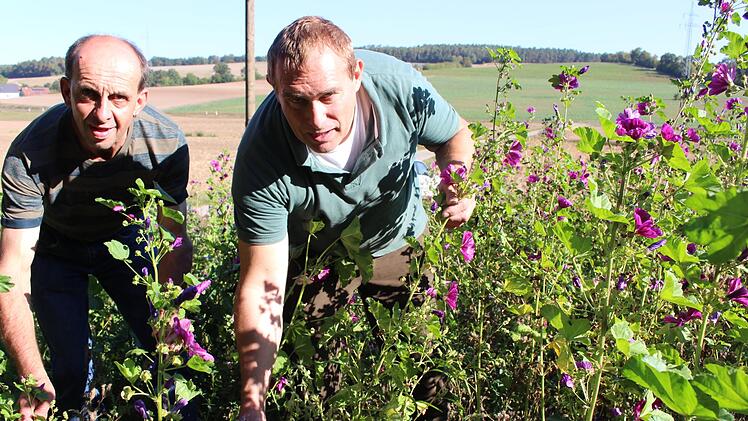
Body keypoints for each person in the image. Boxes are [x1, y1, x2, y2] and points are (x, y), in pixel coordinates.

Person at [231, 16, 475, 420]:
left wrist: (457, 182)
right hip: (317, 257)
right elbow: (262, 284)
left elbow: (455, 136)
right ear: (274, 88)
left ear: (356, 74)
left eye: (329, 97)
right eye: (296, 100)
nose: (316, 120)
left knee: (424, 367)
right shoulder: (261, 159)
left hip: (397, 240)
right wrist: (251, 405)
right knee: (315, 383)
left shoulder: (399, 87)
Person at [0, 35, 192, 420]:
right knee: (68, 366)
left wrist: (169, 314)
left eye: (119, 98)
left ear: (140, 100)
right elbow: (11, 271)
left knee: (170, 354)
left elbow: (173, 240)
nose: (102, 114)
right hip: (55, 247)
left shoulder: (165, 143)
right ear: (66, 92)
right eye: (88, 95)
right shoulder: (30, 153)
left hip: (126, 239)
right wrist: (29, 374)